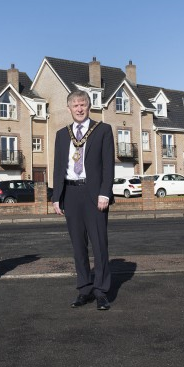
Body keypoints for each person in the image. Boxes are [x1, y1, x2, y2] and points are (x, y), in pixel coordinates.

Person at [52, 90, 115, 310]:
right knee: (78, 245)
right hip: (70, 193)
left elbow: (108, 165)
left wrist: (105, 192)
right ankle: (84, 289)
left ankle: (101, 291)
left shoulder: (103, 130)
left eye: (83, 104)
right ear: (68, 108)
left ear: (89, 106)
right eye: (75, 105)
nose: (79, 109)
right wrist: (56, 197)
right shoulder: (62, 134)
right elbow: (59, 167)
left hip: (94, 193)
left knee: (99, 244)